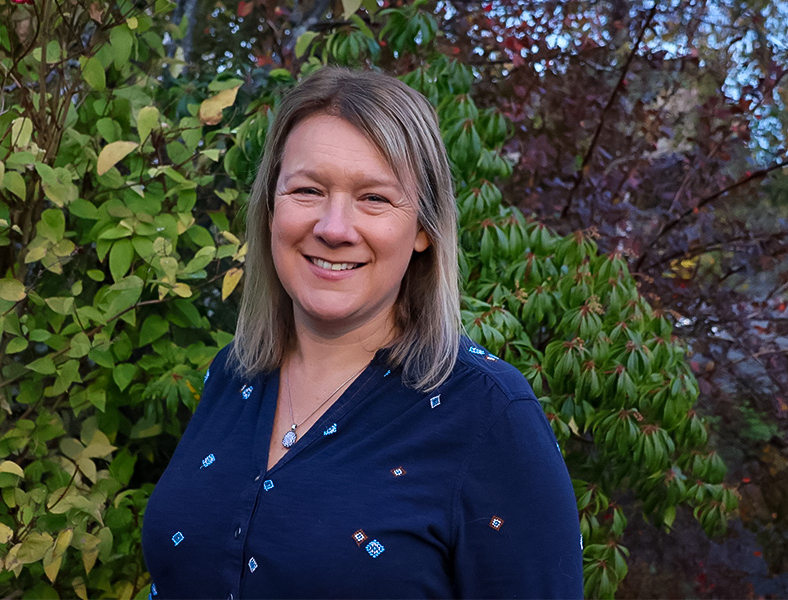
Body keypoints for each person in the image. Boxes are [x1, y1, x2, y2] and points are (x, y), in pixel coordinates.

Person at [141, 67, 583, 599]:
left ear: (423, 228)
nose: (333, 228)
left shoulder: (489, 415)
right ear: (270, 207)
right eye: (307, 190)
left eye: (373, 198)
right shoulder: (232, 374)